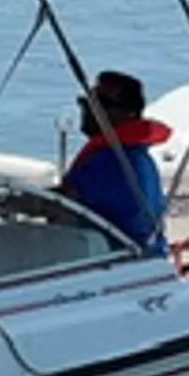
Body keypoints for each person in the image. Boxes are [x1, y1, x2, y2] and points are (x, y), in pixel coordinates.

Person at [59, 72, 171, 255]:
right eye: (88, 100)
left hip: (119, 261)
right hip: (136, 257)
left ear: (129, 114)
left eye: (101, 104)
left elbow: (62, 205)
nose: (89, 108)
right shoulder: (134, 155)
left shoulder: (114, 163)